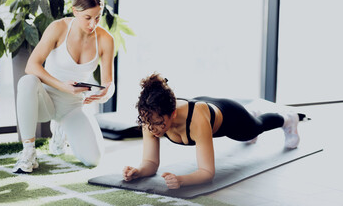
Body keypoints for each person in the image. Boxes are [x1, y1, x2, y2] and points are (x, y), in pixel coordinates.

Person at [122, 73, 305, 189]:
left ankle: (288, 118)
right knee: (251, 130)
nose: (153, 129)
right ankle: (253, 111)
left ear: (173, 113)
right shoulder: (150, 116)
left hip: (230, 115)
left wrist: (182, 180)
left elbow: (207, 172)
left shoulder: (196, 120)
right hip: (205, 108)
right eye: (149, 123)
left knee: (253, 130)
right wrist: (138, 170)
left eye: (160, 123)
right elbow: (151, 162)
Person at [13, 0, 115, 173]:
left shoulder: (106, 39)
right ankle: (28, 153)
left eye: (97, 17)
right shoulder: (58, 28)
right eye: (87, 18)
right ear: (75, 11)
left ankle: (60, 130)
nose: (93, 24)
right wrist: (62, 86)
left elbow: (109, 82)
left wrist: (104, 93)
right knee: (27, 81)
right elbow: (32, 66)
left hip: (74, 106)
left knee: (94, 160)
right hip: (46, 101)